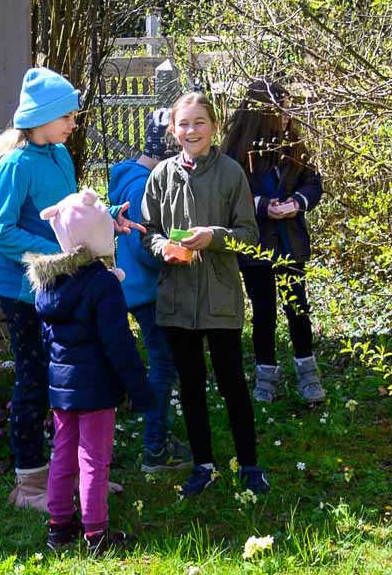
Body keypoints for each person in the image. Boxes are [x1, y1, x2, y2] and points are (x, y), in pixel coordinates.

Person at [0, 67, 144, 511]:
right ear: (40, 118)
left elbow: (68, 213)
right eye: (66, 116)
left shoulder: (60, 155)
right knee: (34, 381)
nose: (73, 123)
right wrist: (62, 252)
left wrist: (107, 216)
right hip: (22, 293)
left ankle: (73, 476)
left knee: (70, 382)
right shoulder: (15, 165)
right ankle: (29, 485)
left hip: (62, 290)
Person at [140, 91, 268, 497]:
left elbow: (250, 236)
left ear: (214, 126)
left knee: (232, 383)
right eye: (184, 123)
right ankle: (203, 467)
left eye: (199, 122)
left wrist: (214, 237)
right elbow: (148, 232)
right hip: (177, 300)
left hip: (220, 299)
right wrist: (163, 247)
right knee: (191, 386)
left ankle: (250, 466)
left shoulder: (231, 173)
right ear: (172, 130)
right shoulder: (161, 176)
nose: (191, 130)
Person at [26, 189, 157, 556]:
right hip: (96, 387)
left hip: (62, 388)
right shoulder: (103, 284)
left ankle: (59, 527)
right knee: (93, 460)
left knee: (63, 454)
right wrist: (139, 388)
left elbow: (49, 340)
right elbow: (118, 343)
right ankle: (96, 533)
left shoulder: (49, 284)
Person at [221, 79, 326, 405]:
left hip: (290, 243)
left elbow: (313, 182)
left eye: (288, 108)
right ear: (261, 112)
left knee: (298, 307)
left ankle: (308, 373)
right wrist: (263, 206)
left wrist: (297, 202)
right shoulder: (235, 153)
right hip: (255, 247)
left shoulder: (294, 144)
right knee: (263, 311)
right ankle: (266, 375)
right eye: (281, 109)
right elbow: (229, 198)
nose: (287, 115)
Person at [107, 108, 194, 473]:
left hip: (139, 289)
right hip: (149, 290)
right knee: (163, 365)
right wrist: (178, 252)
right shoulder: (144, 185)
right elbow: (145, 245)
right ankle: (155, 446)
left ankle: (157, 438)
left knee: (162, 363)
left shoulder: (130, 175)